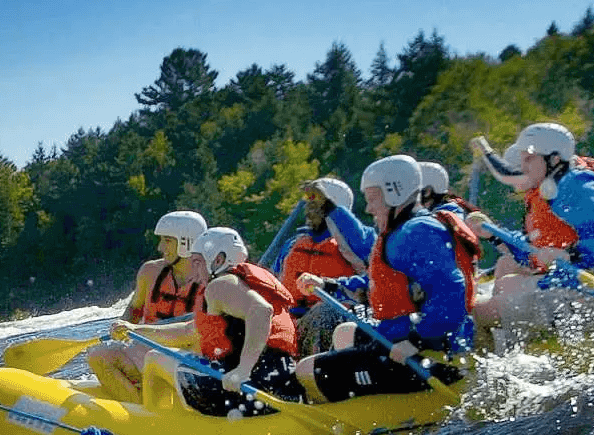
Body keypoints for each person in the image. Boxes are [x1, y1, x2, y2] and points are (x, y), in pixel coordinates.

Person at [295, 155, 478, 403]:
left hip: (428, 355)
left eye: (372, 199)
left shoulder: (416, 232)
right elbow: (378, 283)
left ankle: (344, 421)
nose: (368, 209)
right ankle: (363, 401)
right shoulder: (404, 229)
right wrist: (328, 285)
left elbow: (452, 290)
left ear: (395, 193)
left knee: (306, 371)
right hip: (406, 340)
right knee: (344, 333)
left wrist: (417, 341)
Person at [111, 227, 303, 416]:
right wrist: (134, 330)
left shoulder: (220, 284)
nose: (194, 271)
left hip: (250, 387)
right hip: (279, 383)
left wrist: (242, 370)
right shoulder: (238, 284)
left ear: (218, 260)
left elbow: (261, 311)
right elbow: (190, 331)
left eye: (197, 262)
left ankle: (154, 425)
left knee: (154, 359)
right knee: (161, 355)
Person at [469, 123, 594, 330]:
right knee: (506, 274)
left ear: (554, 159)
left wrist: (573, 254)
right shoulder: (553, 189)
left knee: (491, 302)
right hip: (571, 285)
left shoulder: (576, 185)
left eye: (529, 159)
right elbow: (536, 250)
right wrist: (495, 235)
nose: (522, 168)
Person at [86, 210, 209, 399]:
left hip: (187, 356)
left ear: (187, 243)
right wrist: (122, 325)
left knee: (156, 360)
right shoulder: (149, 271)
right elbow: (134, 310)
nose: (160, 247)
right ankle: (137, 411)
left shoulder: (212, 281)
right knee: (98, 356)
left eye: (167, 241)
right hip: (146, 349)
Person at [277, 177, 374, 355]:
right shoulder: (294, 244)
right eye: (307, 205)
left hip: (334, 320)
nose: (307, 210)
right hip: (289, 321)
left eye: (315, 206)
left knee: (325, 311)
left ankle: (315, 369)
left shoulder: (353, 245)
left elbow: (365, 247)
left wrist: (335, 211)